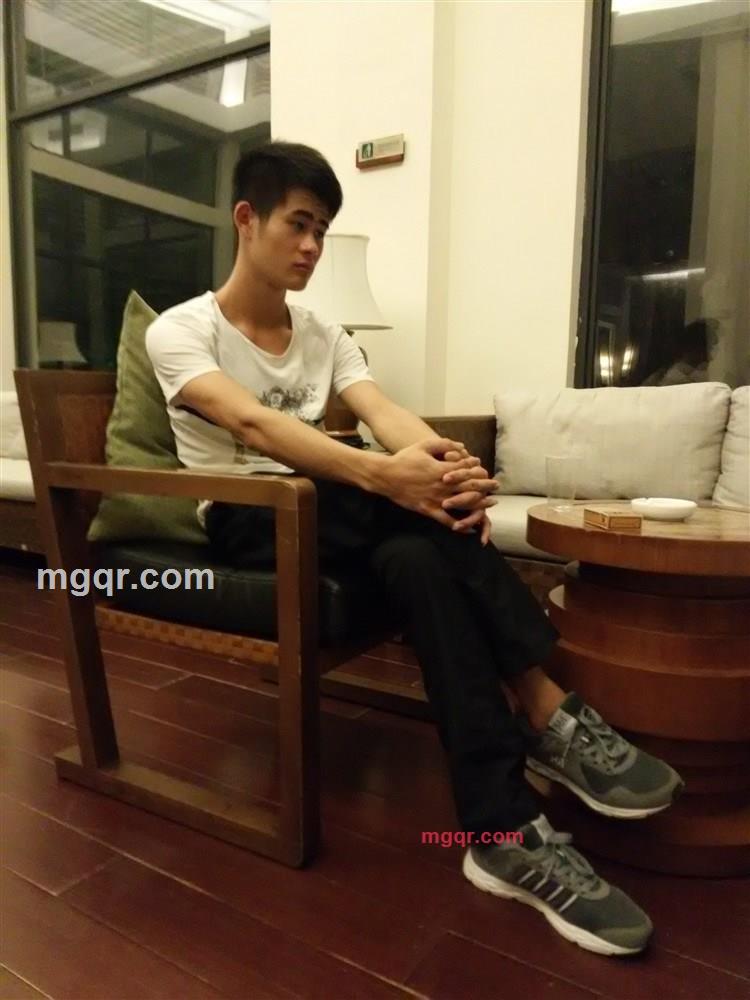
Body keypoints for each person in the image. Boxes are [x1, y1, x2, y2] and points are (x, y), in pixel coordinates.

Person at [146, 141, 683, 957]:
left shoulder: (323, 333)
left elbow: (382, 411)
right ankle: (546, 708)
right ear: (246, 219)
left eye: (322, 231)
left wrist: (445, 466)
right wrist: (391, 479)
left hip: (340, 514)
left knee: (422, 559)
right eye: (299, 224)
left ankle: (500, 833)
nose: (312, 246)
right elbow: (253, 425)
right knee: (411, 511)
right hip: (251, 515)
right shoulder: (183, 329)